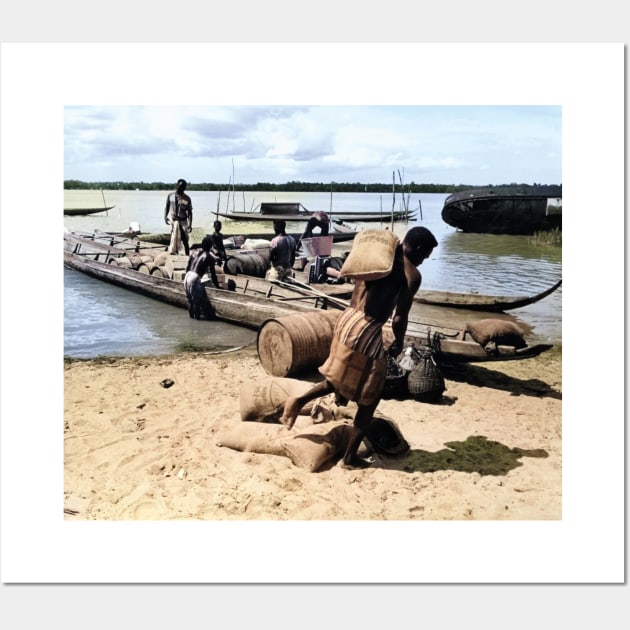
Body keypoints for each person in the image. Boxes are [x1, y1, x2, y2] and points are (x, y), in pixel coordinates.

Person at [279, 226, 438, 469]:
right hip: (366, 328)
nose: (424, 261)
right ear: (417, 248)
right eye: (425, 255)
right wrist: (398, 344)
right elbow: (399, 318)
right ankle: (350, 458)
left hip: (347, 319)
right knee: (370, 397)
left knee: (342, 378)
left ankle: (300, 400)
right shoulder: (411, 275)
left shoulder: (381, 257)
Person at [183, 236, 222, 319]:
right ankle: (197, 322)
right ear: (210, 246)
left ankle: (191, 321)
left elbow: (187, 266)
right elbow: (213, 274)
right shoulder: (208, 256)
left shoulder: (195, 252)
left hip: (187, 276)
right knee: (196, 303)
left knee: (190, 301)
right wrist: (217, 287)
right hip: (195, 277)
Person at [164, 179, 193, 255]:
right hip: (173, 220)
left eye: (183, 187)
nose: (181, 188)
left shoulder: (186, 198)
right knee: (174, 237)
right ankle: (174, 252)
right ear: (177, 186)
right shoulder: (170, 196)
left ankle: (187, 254)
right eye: (180, 186)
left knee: (184, 239)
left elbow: (189, 212)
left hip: (183, 221)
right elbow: (167, 207)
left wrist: (190, 225)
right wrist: (165, 217)